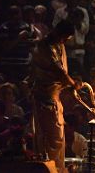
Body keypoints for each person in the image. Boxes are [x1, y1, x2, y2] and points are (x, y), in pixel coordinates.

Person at [31, 20, 82, 172]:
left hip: (54, 98)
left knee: (59, 139)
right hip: (45, 100)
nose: (65, 41)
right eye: (65, 37)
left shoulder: (59, 45)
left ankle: (58, 169)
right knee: (52, 140)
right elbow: (59, 72)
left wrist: (72, 83)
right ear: (59, 32)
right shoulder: (44, 46)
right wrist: (73, 84)